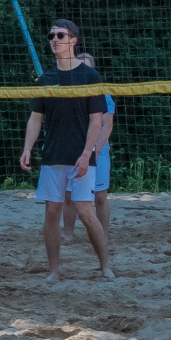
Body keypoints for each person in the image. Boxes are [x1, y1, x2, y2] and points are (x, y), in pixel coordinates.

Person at [20, 20, 112, 281]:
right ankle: (54, 270)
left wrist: (87, 154)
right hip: (53, 155)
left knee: (85, 210)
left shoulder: (89, 76)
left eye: (60, 35)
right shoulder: (46, 79)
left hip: (81, 155)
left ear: (73, 40)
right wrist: (27, 148)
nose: (54, 39)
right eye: (51, 35)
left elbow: (97, 119)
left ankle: (105, 264)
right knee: (52, 211)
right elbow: (35, 118)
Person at [59, 53, 116, 252]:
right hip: (72, 148)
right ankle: (68, 234)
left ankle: (104, 235)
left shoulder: (103, 95)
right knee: (69, 195)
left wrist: (95, 150)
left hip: (98, 149)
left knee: (100, 196)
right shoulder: (66, 92)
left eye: (87, 67)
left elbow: (106, 125)